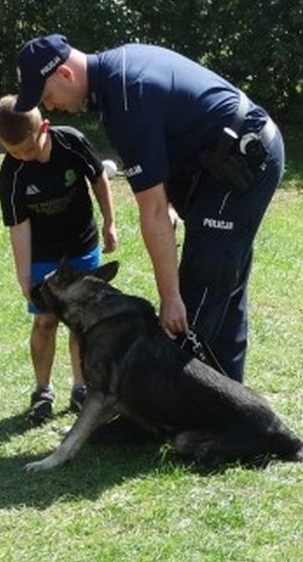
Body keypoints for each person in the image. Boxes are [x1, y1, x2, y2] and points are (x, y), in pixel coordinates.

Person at [14, 34, 285, 383]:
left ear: (65, 74)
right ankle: (226, 403)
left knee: (200, 289)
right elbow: (168, 141)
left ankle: (174, 411)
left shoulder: (126, 96)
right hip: (215, 161)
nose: (48, 106)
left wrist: (169, 297)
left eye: (46, 95)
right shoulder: (116, 78)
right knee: (223, 285)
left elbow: (153, 211)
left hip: (244, 158)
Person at [0, 94, 118, 424]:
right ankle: (42, 391)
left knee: (80, 321)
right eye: (14, 152)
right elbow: (18, 227)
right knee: (45, 321)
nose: (23, 157)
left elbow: (98, 178)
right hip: (43, 255)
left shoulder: (72, 142)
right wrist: (24, 276)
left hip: (82, 246)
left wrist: (110, 222)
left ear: (44, 128)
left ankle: (81, 388)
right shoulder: (12, 174)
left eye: (28, 149)